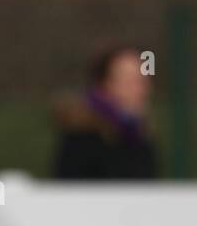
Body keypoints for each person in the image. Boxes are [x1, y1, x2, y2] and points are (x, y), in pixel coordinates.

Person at [52, 44, 157, 179]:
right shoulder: (81, 142)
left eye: (142, 81)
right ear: (104, 85)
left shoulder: (141, 138)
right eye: (129, 81)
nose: (140, 89)